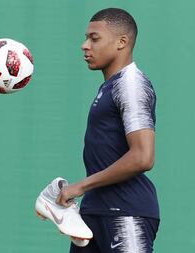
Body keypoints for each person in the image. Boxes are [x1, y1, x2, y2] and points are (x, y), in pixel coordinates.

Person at [56, 8, 160, 253]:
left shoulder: (131, 84)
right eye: (86, 38)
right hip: (94, 214)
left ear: (122, 42)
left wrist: (79, 186)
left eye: (94, 38)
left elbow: (143, 157)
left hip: (126, 214)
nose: (84, 45)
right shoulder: (109, 87)